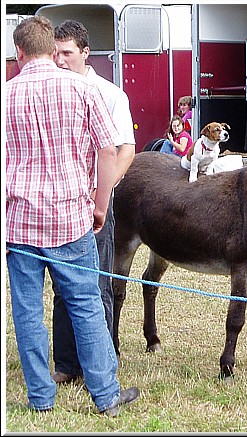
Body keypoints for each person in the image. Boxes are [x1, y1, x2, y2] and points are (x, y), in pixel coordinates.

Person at [6, 15, 139, 415]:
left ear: (19, 52)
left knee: (27, 312)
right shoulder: (82, 89)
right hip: (69, 218)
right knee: (85, 304)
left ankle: (40, 398)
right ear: (52, 49)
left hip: (19, 223)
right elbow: (109, 150)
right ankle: (105, 395)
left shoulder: (5, 94)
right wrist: (100, 205)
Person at [51, 19, 136, 385]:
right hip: (58, 204)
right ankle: (66, 365)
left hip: (94, 206)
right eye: (55, 52)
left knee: (97, 285)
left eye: (67, 53)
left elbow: (125, 149)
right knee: (61, 287)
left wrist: (101, 193)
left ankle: (97, 366)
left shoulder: (111, 94)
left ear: (86, 53)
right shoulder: (51, 89)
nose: (59, 60)